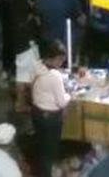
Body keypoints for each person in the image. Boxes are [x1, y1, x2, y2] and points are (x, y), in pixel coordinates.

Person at [27, 41, 71, 177]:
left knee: (41, 146)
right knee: (50, 151)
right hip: (51, 118)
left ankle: (38, 172)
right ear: (55, 58)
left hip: (36, 112)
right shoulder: (54, 76)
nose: (62, 63)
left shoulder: (37, 66)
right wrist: (70, 94)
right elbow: (62, 102)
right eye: (61, 59)